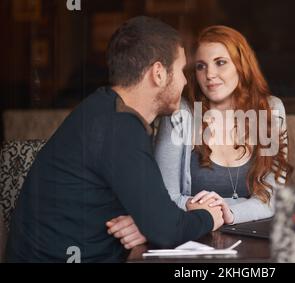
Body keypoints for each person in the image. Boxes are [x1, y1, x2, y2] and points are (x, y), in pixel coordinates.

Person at [5, 16, 223, 263]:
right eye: (181, 71)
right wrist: (208, 215)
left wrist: (146, 222)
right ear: (159, 73)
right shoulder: (119, 127)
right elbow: (167, 230)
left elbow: (154, 217)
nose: (185, 81)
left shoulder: (104, 109)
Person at [108, 25, 292, 249]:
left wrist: (228, 212)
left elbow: (272, 198)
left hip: (253, 238)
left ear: (242, 65)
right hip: (193, 238)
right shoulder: (181, 113)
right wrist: (211, 213)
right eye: (201, 66)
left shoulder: (270, 110)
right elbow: (165, 197)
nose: (210, 75)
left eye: (220, 62)